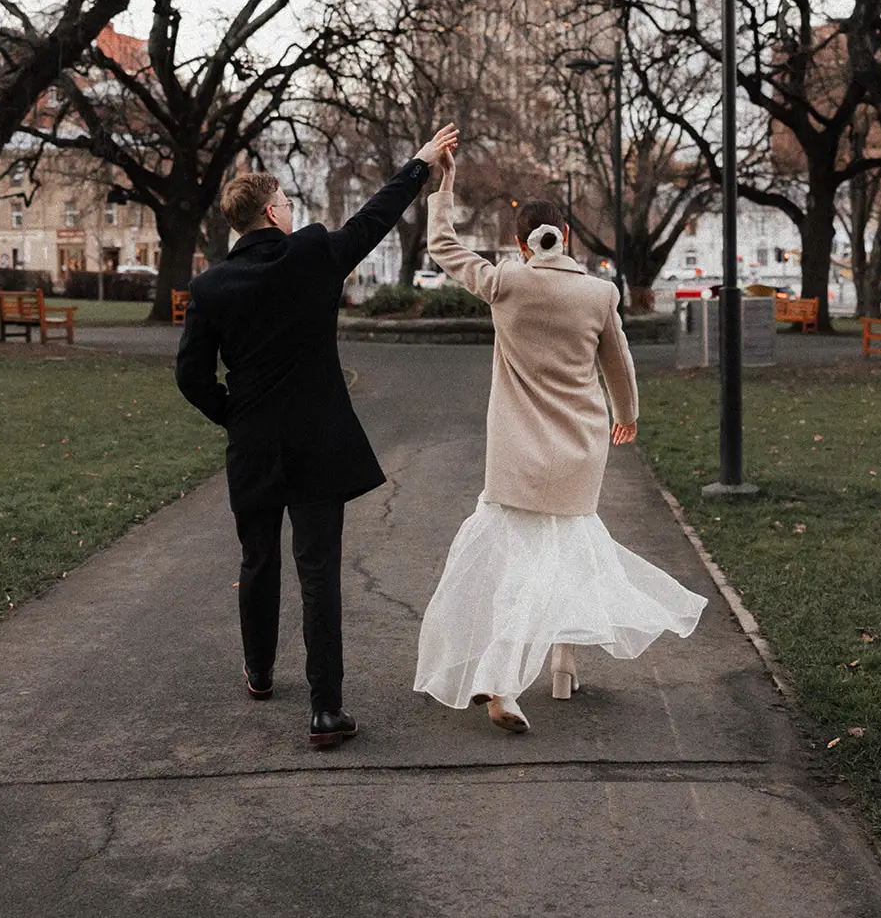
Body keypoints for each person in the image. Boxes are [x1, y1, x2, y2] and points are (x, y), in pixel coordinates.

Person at [176, 124, 459, 748]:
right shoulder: (311, 256)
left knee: (257, 559)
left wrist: (233, 414)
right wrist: (417, 165)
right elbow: (373, 219)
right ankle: (326, 711)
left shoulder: (210, 287)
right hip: (317, 439)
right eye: (286, 203)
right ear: (274, 211)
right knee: (318, 573)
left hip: (252, 441)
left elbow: (191, 376)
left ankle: (259, 674)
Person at [413, 146, 707, 733]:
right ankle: (558, 669)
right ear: (566, 236)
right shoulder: (600, 295)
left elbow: (442, 248)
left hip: (517, 448)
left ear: (523, 241)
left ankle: (500, 683)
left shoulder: (504, 284)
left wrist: (443, 187)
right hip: (579, 446)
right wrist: (628, 413)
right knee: (562, 556)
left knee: (519, 563)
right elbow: (618, 366)